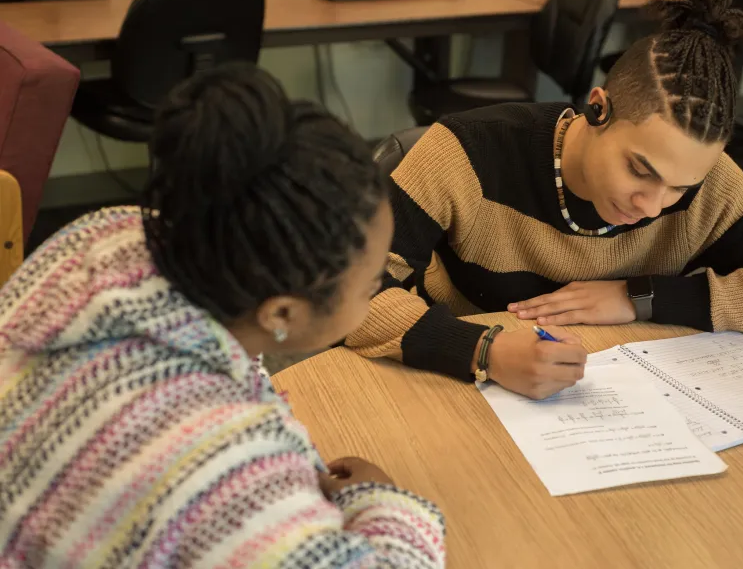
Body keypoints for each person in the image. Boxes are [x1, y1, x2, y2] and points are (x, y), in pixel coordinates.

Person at [0, 65, 444, 567]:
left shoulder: (104, 237)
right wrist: (381, 503)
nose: (375, 292)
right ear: (281, 311)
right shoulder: (220, 463)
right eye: (369, 287)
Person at [346, 0, 743, 400]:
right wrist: (484, 351)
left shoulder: (711, 183)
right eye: (640, 170)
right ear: (598, 108)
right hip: (450, 382)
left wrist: (642, 297)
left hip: (602, 399)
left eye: (681, 186)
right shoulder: (465, 150)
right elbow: (349, 291)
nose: (652, 206)